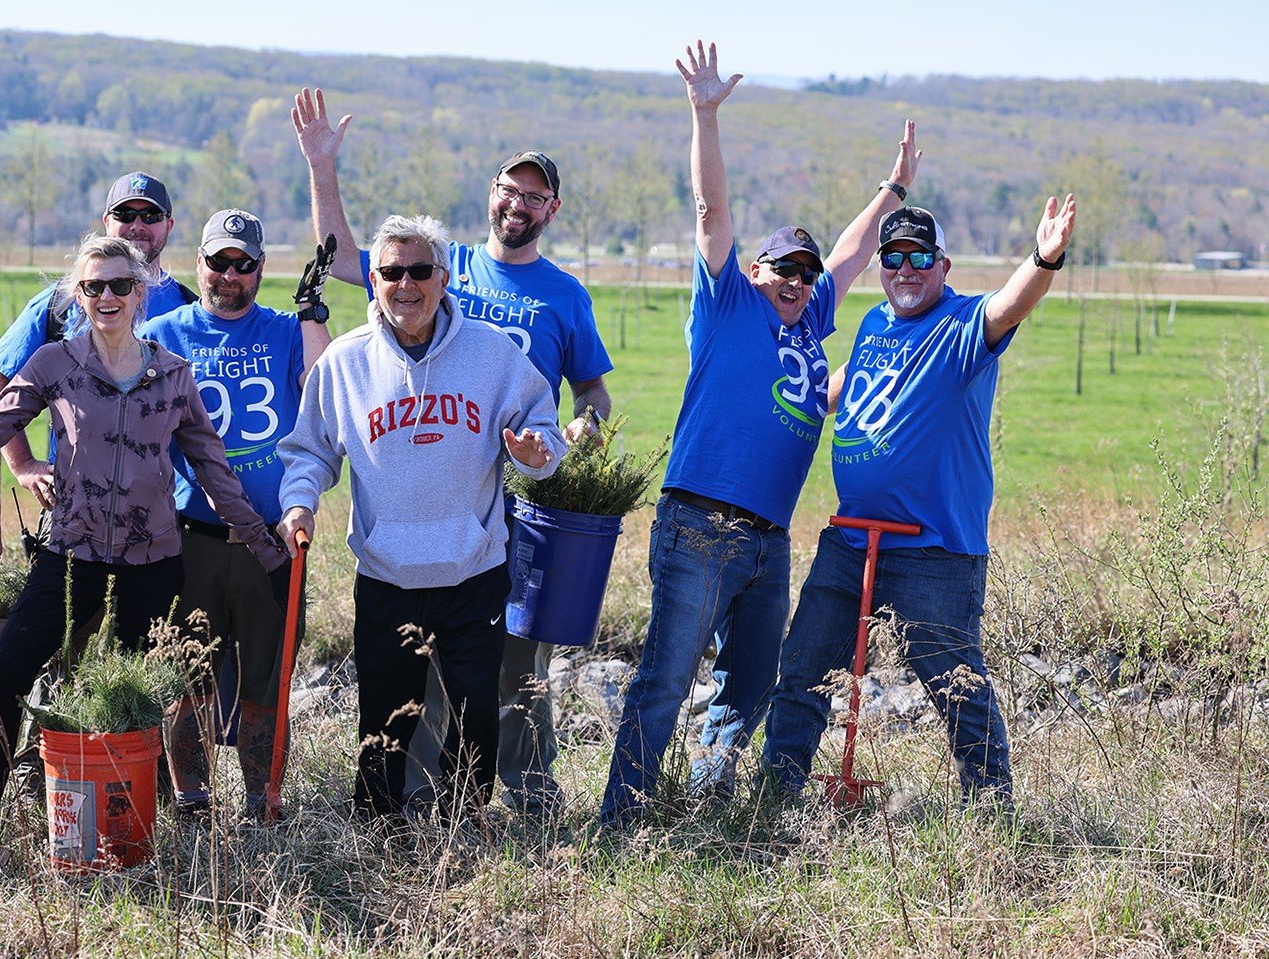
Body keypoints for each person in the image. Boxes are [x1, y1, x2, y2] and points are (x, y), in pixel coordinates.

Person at [597, 41, 922, 823]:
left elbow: (847, 254)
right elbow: (712, 213)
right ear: (754, 271)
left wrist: (893, 188)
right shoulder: (727, 305)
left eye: (804, 273)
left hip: (767, 539)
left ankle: (708, 809)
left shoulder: (810, 321)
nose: (798, 281)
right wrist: (704, 115)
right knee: (666, 681)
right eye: (783, 267)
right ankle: (624, 820)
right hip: (701, 522)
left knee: (747, 687)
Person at [0, 234, 287, 867]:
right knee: (8, 674)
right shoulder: (55, 364)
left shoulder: (172, 374)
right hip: (70, 555)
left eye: (120, 285)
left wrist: (270, 553)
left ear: (142, 292)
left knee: (129, 698)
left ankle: (121, 835)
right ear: (78, 294)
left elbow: (215, 472)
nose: (107, 296)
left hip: (154, 562)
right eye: (94, 286)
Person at [294, 88, 613, 812]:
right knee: (415, 685)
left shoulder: (564, 295)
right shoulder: (448, 264)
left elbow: (590, 392)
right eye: (511, 189)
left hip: (512, 504)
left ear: (551, 210)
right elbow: (347, 255)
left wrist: (571, 437)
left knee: (510, 670)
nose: (520, 203)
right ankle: (412, 806)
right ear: (492, 194)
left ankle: (525, 795)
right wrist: (322, 166)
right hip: (414, 497)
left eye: (536, 196)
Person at [759, 194, 1078, 807]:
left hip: (931, 549)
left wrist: (1044, 257)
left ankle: (991, 814)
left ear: (944, 264)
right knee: (802, 668)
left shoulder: (962, 326)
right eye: (894, 256)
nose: (905, 269)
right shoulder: (877, 321)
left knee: (953, 683)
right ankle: (776, 800)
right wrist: (775, 395)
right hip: (851, 539)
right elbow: (849, 383)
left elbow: (1014, 303)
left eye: (919, 257)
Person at [277, 214, 566, 820]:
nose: (405, 284)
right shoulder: (344, 363)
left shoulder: (493, 354)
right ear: (375, 282)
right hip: (386, 574)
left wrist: (538, 451)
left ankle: (462, 834)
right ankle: (381, 834)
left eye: (419, 271)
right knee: (383, 719)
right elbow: (310, 451)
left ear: (443, 278)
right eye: (390, 272)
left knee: (474, 718)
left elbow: (542, 425)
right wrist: (299, 502)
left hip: (474, 569)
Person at [140, 208, 331, 820]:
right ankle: (192, 806)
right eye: (217, 263)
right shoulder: (163, 332)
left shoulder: (283, 330)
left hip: (272, 540)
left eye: (242, 265)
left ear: (259, 268)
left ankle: (261, 805)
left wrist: (313, 316)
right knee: (186, 683)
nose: (229, 276)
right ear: (197, 263)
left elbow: (327, 389)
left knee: (265, 686)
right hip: (188, 537)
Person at [0, 172, 199, 515]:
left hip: (161, 513)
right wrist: (23, 463)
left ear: (169, 225)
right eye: (125, 215)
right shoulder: (62, 302)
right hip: (73, 507)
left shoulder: (189, 310)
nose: (137, 225)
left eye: (150, 216)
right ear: (106, 222)